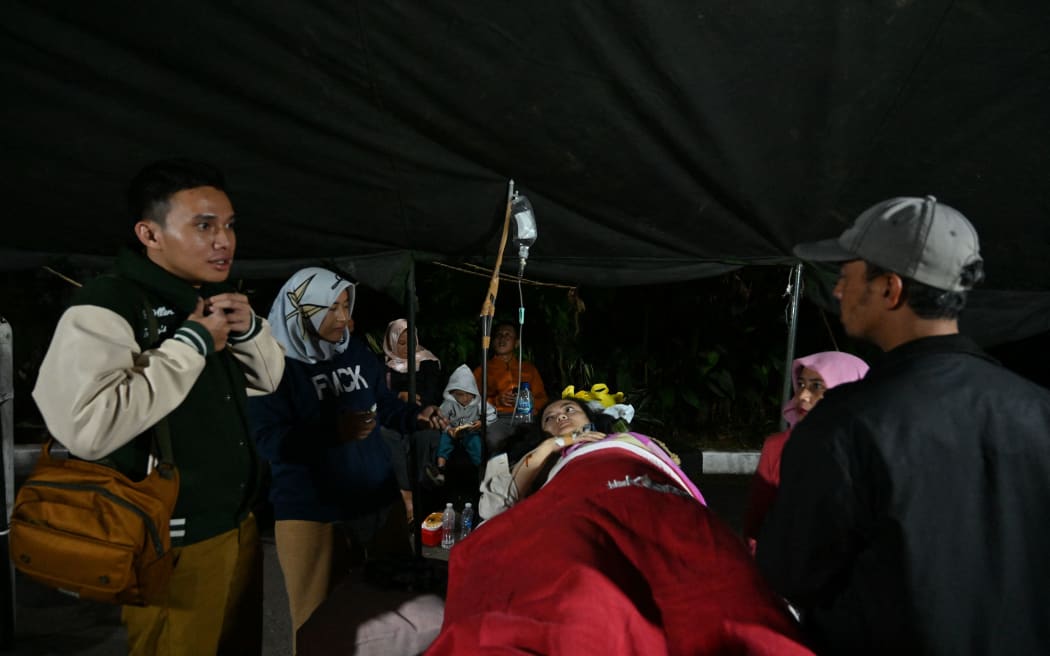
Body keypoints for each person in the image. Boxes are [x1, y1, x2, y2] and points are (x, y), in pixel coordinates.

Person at [756, 196, 1050, 654]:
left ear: (890, 289)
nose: (838, 291)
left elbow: (790, 572)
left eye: (847, 275)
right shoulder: (1038, 409)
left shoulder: (846, 424)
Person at [31, 158, 286, 655]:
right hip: (170, 542)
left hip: (237, 526)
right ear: (149, 233)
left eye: (229, 225)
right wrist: (191, 344)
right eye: (204, 226)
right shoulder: (106, 304)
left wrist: (250, 331)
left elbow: (267, 380)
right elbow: (88, 426)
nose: (224, 241)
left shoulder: (211, 297)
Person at [430, 397, 814, 655]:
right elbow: (504, 498)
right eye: (551, 417)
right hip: (576, 497)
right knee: (582, 583)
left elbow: (666, 465)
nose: (561, 416)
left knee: (698, 563)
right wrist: (555, 445)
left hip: (645, 489)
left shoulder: (627, 440)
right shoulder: (542, 455)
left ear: (590, 417)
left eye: (570, 410)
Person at [247, 268, 447, 650]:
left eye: (345, 306)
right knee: (318, 622)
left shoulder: (352, 350)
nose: (344, 317)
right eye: (331, 308)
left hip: (378, 501)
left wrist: (415, 416)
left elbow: (382, 404)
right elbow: (268, 442)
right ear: (301, 311)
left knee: (398, 606)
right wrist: (332, 432)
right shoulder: (271, 365)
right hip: (313, 512)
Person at [741, 351, 868, 551]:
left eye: (816, 386)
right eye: (801, 384)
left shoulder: (870, 453)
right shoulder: (777, 446)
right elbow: (756, 526)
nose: (802, 396)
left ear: (849, 392)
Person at [381, 318, 443, 524]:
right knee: (386, 435)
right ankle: (405, 494)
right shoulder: (383, 366)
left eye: (410, 342)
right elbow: (380, 397)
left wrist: (417, 403)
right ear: (391, 342)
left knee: (426, 435)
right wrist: (399, 397)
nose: (407, 348)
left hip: (421, 414)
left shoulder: (427, 362)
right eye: (401, 343)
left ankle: (422, 494)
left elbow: (432, 394)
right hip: (393, 417)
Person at [473, 320, 549, 451]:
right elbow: (470, 402)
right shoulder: (482, 370)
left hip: (527, 417)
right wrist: (496, 401)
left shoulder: (528, 369)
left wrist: (529, 402)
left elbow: (543, 400)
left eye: (507, 335)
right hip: (497, 418)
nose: (502, 338)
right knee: (494, 439)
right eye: (498, 335)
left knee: (536, 439)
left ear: (517, 343)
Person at [424, 364, 496, 485]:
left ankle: (482, 470)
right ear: (453, 393)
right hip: (452, 431)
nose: (465, 398)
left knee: (475, 443)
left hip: (470, 431)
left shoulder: (478, 403)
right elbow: (441, 417)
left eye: (469, 394)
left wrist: (481, 422)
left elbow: (492, 414)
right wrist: (448, 429)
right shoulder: (449, 403)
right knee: (444, 441)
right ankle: (440, 469)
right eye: (460, 394)